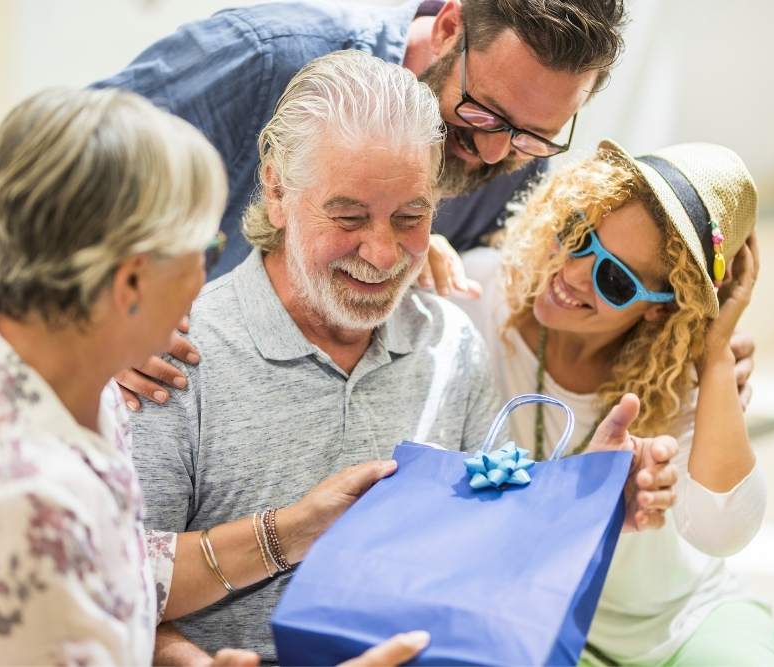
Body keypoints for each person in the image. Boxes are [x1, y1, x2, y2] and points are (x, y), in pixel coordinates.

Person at [130, 49, 681, 662]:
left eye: (411, 216)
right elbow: (102, 584)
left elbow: (491, 559)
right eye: (348, 215)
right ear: (277, 190)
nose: (384, 253)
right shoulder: (169, 357)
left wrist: (585, 505)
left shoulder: (450, 344)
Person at [0, 87, 430, 667]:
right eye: (206, 251)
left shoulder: (37, 375)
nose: (208, 282)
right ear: (129, 284)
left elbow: (121, 565)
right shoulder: (27, 503)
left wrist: (291, 531)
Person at [94, 0, 758, 418]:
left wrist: (685, 351)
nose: (495, 150)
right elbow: (58, 166)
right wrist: (105, 318)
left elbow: (534, 316)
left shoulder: (511, 153)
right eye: (483, 112)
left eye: (534, 135)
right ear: (448, 26)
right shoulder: (268, 56)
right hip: (131, 410)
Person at [453, 139, 774, 665]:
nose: (576, 272)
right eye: (580, 235)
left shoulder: (681, 380)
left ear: (659, 308)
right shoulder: (475, 296)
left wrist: (717, 352)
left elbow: (724, 531)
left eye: (615, 278)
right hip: (535, 618)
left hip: (685, 628)